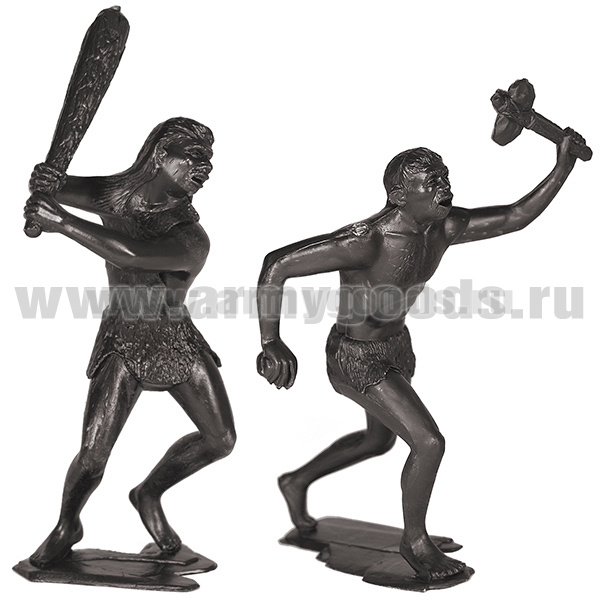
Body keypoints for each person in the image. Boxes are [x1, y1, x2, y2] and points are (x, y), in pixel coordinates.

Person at [256, 130, 584, 581]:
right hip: (355, 358)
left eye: (444, 177)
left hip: (397, 348)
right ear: (399, 196)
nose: (444, 187)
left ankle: (296, 482)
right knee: (428, 442)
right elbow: (276, 265)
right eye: (431, 182)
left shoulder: (442, 229)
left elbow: (516, 216)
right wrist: (271, 341)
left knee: (378, 440)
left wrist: (562, 166)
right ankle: (414, 542)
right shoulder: (366, 240)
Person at [24, 117, 236, 567]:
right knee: (93, 455)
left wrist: (63, 223)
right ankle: (67, 524)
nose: (206, 167)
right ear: (160, 154)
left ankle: (148, 494)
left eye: (209, 160)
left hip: (175, 339)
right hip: (124, 338)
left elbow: (133, 255)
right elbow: (59, 187)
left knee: (220, 439)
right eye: (195, 157)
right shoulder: (116, 194)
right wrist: (47, 183)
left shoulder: (191, 237)